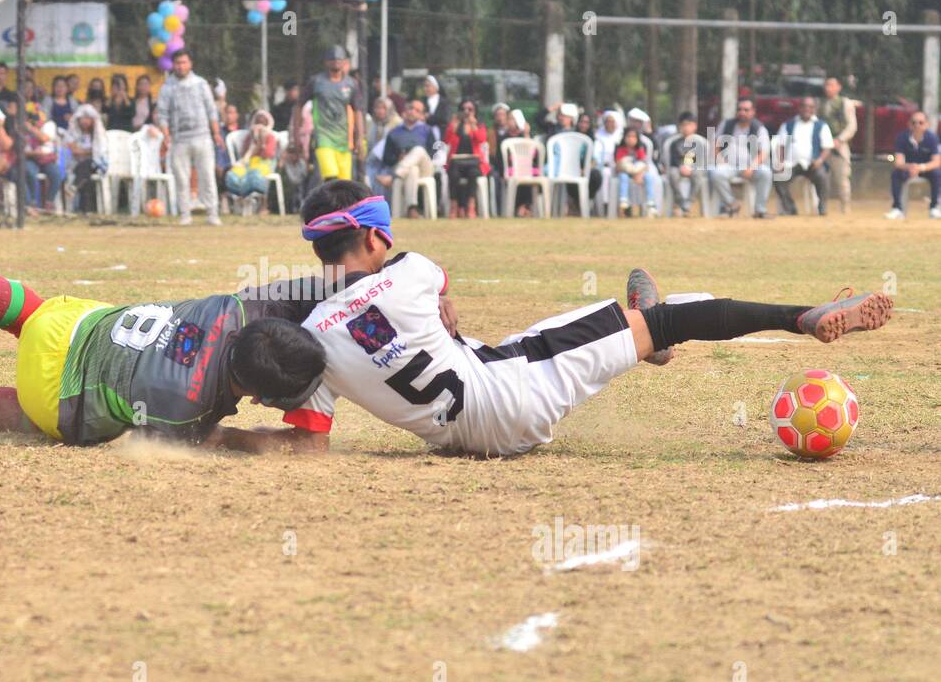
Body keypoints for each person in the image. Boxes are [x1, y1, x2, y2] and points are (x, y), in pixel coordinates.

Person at [213, 181, 894, 457]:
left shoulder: (311, 342)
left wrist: (217, 439)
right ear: (373, 237)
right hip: (514, 399)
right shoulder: (410, 273)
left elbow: (305, 448)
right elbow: (432, 275)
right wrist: (439, 299)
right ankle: (806, 316)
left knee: (578, 333)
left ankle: (637, 333)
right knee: (675, 314)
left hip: (477, 400)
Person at [0, 236, 327, 450]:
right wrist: (252, 442)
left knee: (26, 309)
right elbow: (179, 441)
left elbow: (296, 293)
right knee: (18, 414)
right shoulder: (190, 411)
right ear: (261, 397)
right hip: (55, 397)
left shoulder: (232, 308)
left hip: (73, 324)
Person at [157, 50, 223, 226]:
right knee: (181, 177)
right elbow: (162, 114)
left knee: (207, 174)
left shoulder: (200, 84)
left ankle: (212, 213)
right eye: (178, 63)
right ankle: (185, 214)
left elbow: (211, 110)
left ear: (190, 64)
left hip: (202, 136)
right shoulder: (167, 87)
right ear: (173, 65)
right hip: (179, 139)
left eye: (184, 62)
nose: (181, 66)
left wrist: (216, 133)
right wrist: (166, 135)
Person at [708, 97, 774, 218]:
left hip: (751, 167)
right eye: (739, 109)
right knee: (716, 173)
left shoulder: (759, 128)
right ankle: (732, 204)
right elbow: (715, 145)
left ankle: (760, 210)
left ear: (753, 111)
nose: (742, 112)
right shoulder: (726, 124)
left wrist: (752, 167)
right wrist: (720, 160)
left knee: (766, 173)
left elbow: (764, 152)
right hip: (729, 166)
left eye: (746, 109)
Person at [306, 45, 363, 182]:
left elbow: (358, 111)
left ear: (345, 62)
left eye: (339, 59)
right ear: (326, 62)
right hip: (323, 137)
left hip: (343, 139)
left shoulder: (351, 84)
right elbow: (298, 106)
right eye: (332, 59)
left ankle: (340, 204)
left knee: (345, 182)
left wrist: (360, 137)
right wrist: (295, 136)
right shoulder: (316, 82)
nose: (336, 62)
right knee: (330, 177)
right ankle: (330, 203)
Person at [772, 97, 833, 216]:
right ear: (799, 108)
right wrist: (780, 162)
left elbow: (827, 147)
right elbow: (780, 145)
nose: (807, 109)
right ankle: (790, 208)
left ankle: (822, 207)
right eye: (804, 106)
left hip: (813, 164)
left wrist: (820, 160)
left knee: (822, 176)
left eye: (810, 107)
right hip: (792, 164)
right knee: (778, 176)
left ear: (814, 109)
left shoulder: (821, 126)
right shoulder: (788, 125)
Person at [379, 98, 439, 218]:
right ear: (405, 111)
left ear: (421, 115)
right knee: (412, 170)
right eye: (410, 108)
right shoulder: (394, 132)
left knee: (419, 150)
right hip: (406, 168)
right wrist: (398, 157)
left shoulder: (427, 130)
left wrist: (413, 156)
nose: (412, 111)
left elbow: (433, 152)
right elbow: (386, 158)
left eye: (417, 110)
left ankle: (394, 176)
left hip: (425, 167)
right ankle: (411, 208)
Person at [885, 110, 941, 220]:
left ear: (927, 125)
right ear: (909, 124)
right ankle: (897, 209)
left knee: (937, 174)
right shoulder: (902, 138)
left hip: (926, 169)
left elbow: (936, 162)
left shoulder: (932, 138)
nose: (917, 125)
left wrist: (920, 168)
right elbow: (898, 162)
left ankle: (934, 208)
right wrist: (911, 167)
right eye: (914, 122)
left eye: (921, 122)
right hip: (908, 169)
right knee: (896, 174)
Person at [443, 98, 489, 218]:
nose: (466, 112)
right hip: (456, 162)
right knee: (453, 174)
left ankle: (471, 206)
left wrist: (473, 125)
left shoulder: (479, 125)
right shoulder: (455, 125)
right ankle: (454, 205)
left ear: (475, 111)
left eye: (470, 109)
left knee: (473, 173)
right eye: (463, 109)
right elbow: (446, 140)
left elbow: (481, 139)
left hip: (473, 162)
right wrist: (454, 125)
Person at [225, 108, 278, 210]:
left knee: (255, 176)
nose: (260, 125)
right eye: (258, 121)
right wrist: (253, 141)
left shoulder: (270, 137)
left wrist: (261, 143)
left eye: (263, 122)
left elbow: (268, 154)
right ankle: (242, 200)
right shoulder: (249, 137)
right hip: (247, 164)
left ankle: (263, 206)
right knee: (233, 175)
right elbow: (244, 155)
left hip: (263, 164)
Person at [820, 76, 857, 213]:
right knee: (821, 178)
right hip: (823, 146)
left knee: (842, 179)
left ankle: (845, 209)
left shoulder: (845, 103)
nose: (828, 88)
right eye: (826, 85)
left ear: (838, 87)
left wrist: (840, 140)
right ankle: (821, 209)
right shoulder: (821, 104)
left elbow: (852, 126)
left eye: (831, 85)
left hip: (839, 145)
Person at [662, 112, 707, 217]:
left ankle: (689, 202)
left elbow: (701, 160)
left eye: (689, 125)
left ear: (695, 126)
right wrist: (680, 166)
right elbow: (672, 159)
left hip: (694, 169)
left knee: (698, 175)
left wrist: (690, 167)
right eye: (683, 125)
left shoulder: (700, 142)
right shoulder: (674, 142)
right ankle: (680, 200)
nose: (686, 128)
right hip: (678, 168)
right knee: (672, 174)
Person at [65, 103, 107, 214]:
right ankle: (85, 209)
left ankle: (74, 186)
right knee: (85, 172)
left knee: (87, 164)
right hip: (76, 164)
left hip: (97, 165)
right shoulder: (73, 132)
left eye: (88, 118)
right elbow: (73, 151)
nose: (85, 121)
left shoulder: (97, 134)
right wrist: (88, 151)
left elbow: (98, 152)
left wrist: (83, 151)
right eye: (83, 118)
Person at [22, 102, 61, 214]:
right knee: (29, 173)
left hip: (46, 159)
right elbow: (23, 149)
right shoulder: (24, 126)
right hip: (31, 158)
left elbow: (44, 139)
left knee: (56, 174)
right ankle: (33, 204)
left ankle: (49, 202)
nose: (36, 118)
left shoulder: (49, 125)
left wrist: (31, 129)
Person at [613, 126, 660, 217]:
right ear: (624, 137)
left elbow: (645, 166)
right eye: (628, 136)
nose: (631, 139)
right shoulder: (620, 150)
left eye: (633, 137)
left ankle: (650, 202)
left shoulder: (639, 150)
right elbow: (618, 166)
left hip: (638, 174)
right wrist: (629, 171)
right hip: (625, 173)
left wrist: (639, 174)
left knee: (649, 177)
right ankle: (623, 200)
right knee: (623, 177)